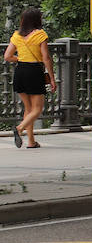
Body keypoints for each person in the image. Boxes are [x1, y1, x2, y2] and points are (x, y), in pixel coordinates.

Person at [4, 8, 54, 148]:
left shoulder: (16, 35)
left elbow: (7, 56)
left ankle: (31, 142)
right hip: (34, 72)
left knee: (28, 108)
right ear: (37, 20)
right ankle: (19, 129)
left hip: (20, 71)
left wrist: (20, 58)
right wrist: (52, 78)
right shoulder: (40, 35)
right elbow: (46, 58)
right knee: (37, 109)